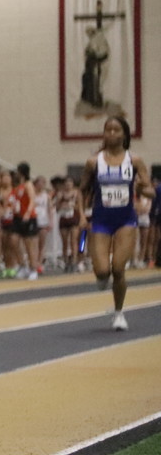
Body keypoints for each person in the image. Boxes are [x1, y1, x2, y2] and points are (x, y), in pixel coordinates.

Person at [79, 116, 153, 331]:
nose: (111, 133)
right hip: (101, 221)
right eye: (107, 129)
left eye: (116, 129)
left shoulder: (135, 161)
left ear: (124, 134)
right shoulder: (94, 162)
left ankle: (119, 313)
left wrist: (140, 188)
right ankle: (102, 276)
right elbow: (81, 191)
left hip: (125, 220)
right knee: (103, 271)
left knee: (119, 269)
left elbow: (150, 191)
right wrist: (82, 216)